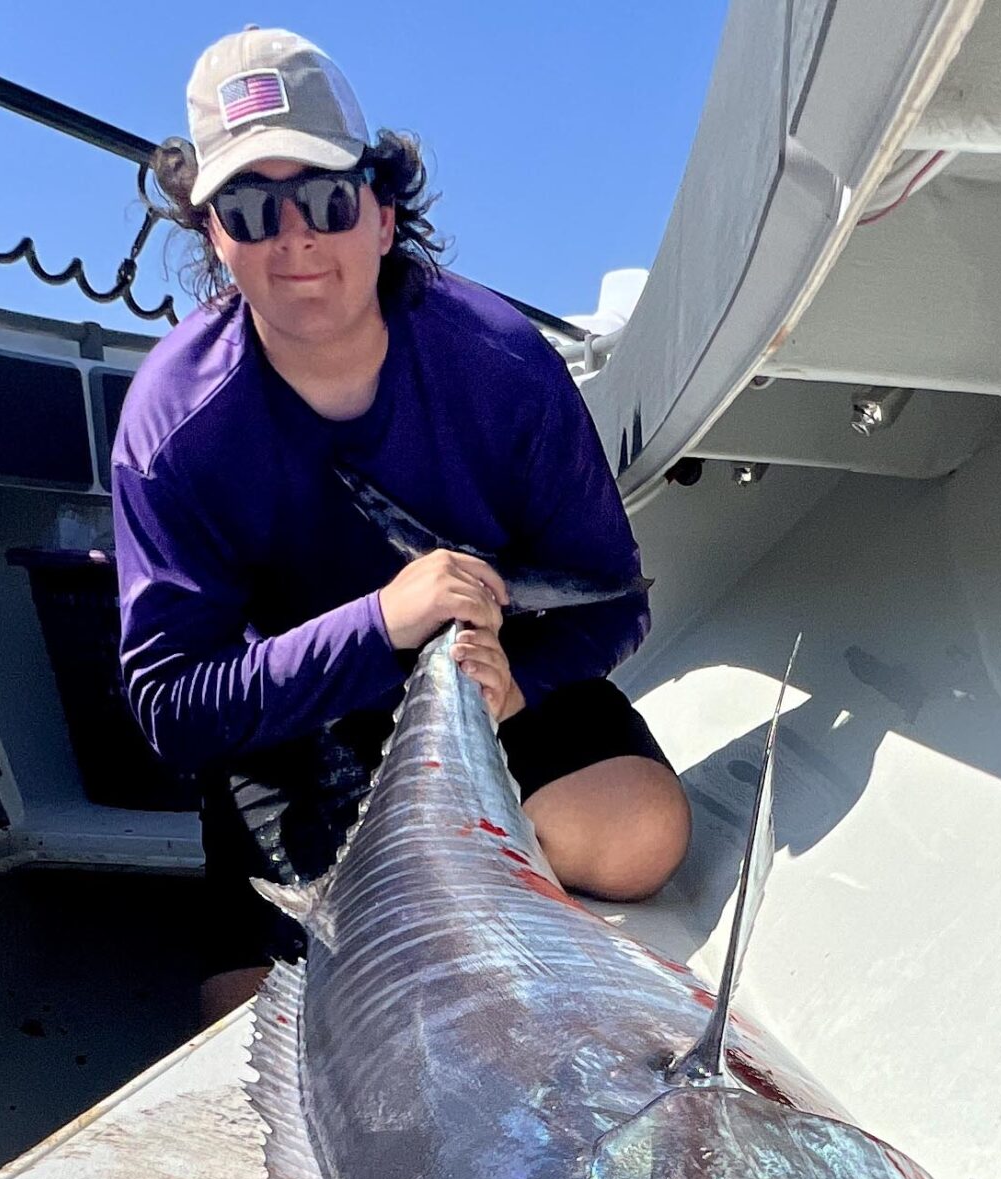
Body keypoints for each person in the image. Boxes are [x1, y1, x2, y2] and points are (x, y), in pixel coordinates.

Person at [112, 26, 690, 1022]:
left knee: (643, 835)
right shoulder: (174, 428)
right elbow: (172, 707)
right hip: (292, 721)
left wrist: (517, 686)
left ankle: (439, 883)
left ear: (381, 212)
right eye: (250, 208)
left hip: (491, 688)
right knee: (246, 1033)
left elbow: (610, 601)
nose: (293, 235)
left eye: (326, 198)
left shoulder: (502, 366)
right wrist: (380, 622)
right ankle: (442, 888)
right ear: (213, 233)